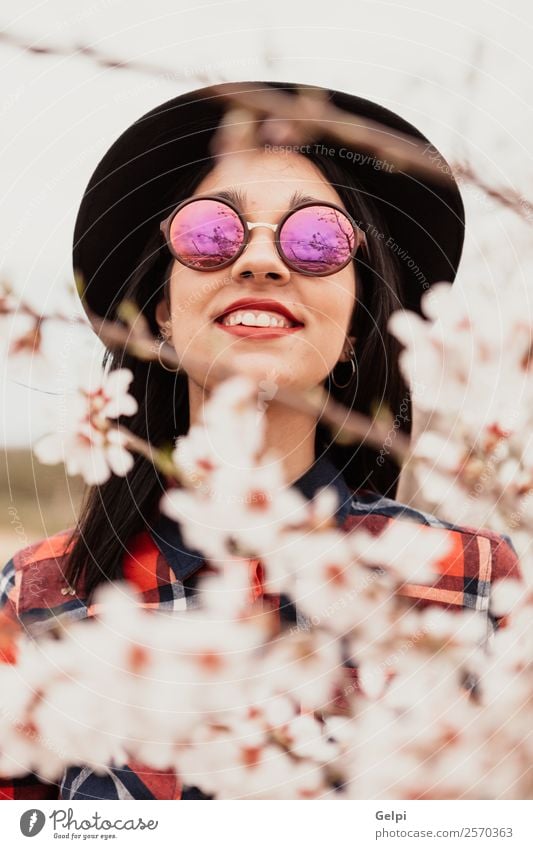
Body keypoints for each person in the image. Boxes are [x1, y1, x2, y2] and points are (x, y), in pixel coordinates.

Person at [0, 80, 521, 801]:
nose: (261, 262)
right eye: (212, 233)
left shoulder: (470, 578)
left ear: (353, 325)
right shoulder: (38, 597)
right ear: (161, 315)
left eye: (316, 240)